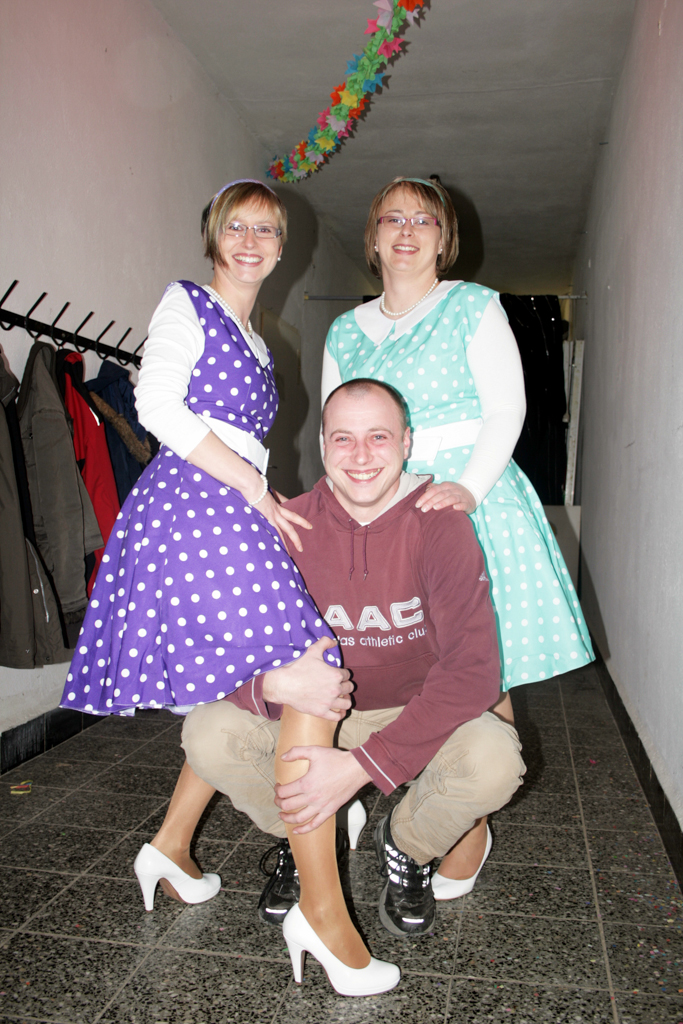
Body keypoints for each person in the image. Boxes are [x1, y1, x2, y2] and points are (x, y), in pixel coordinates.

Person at [59, 181, 399, 996]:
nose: (250, 241)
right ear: (213, 237)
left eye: (266, 230)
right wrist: (252, 490)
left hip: (230, 509)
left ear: (282, 248)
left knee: (272, 684)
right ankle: (322, 914)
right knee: (312, 670)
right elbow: (154, 403)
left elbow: (246, 443)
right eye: (235, 227)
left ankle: (172, 846)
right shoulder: (186, 303)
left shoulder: (257, 337)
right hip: (195, 510)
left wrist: (266, 500)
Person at [181, 380, 525, 950]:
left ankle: (406, 845)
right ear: (322, 445)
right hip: (312, 718)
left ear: (407, 442)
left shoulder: (441, 524)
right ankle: (309, 841)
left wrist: (363, 767)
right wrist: (269, 684)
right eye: (343, 438)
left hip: (414, 713)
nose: (360, 455)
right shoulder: (285, 524)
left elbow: (474, 672)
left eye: (378, 437)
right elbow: (213, 653)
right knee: (207, 734)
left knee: (496, 760)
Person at [322, 175, 594, 723]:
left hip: (468, 498)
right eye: (393, 218)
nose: (407, 230)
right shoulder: (344, 330)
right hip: (382, 503)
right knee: (399, 660)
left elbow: (506, 409)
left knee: (479, 671)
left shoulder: (472, 305)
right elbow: (333, 432)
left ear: (443, 240)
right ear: (373, 238)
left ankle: (483, 781)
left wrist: (469, 489)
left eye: (423, 220)